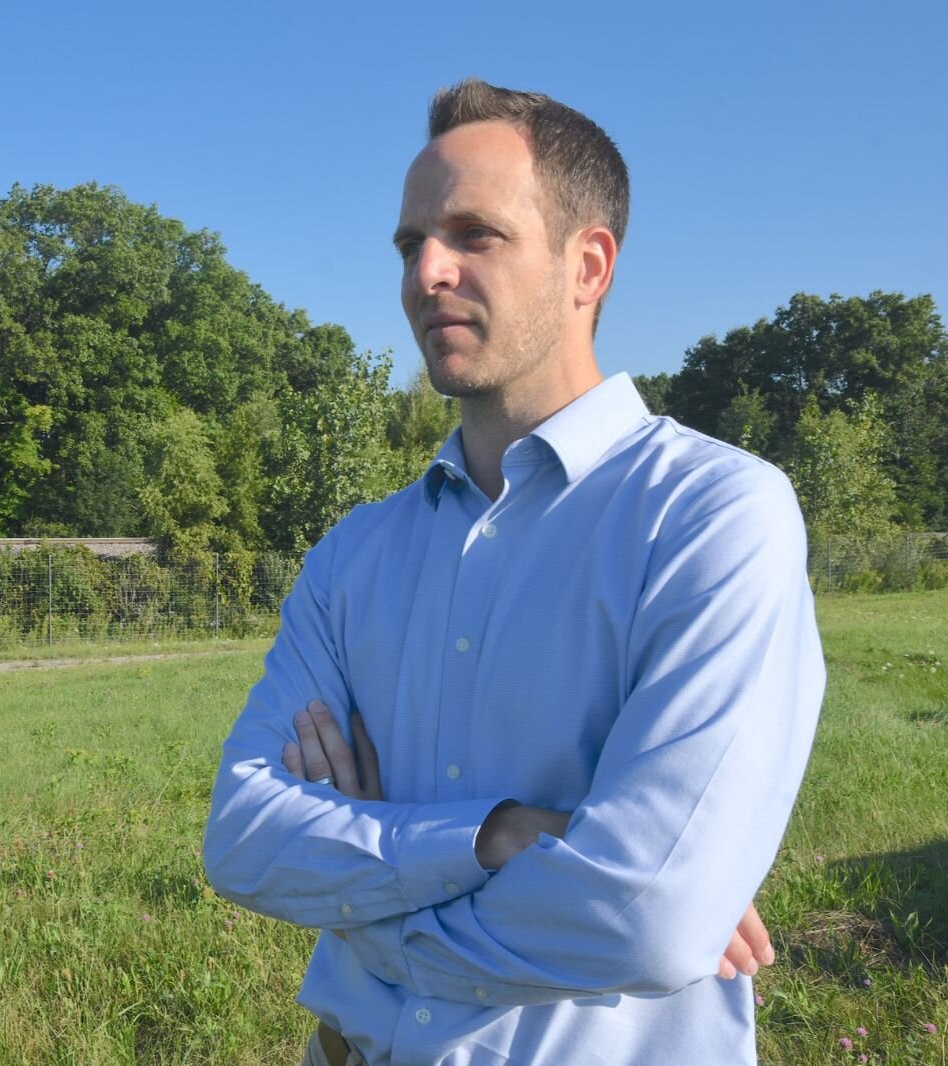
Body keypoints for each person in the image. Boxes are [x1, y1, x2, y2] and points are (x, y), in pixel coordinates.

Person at [202, 78, 826, 1066]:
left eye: (472, 234)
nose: (425, 273)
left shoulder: (711, 516)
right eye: (411, 244)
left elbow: (647, 920)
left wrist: (371, 916)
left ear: (587, 266)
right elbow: (241, 837)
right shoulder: (356, 552)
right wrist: (492, 838)